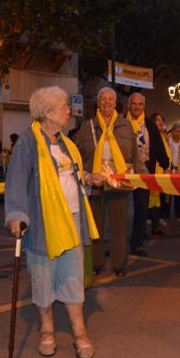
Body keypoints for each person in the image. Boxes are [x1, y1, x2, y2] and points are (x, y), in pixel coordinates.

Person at [5, 86, 102, 358]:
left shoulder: (67, 144)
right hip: (43, 223)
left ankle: (79, 332)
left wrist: (91, 180)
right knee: (44, 277)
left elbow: (74, 180)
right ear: (47, 113)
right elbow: (16, 181)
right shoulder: (27, 142)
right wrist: (16, 214)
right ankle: (46, 330)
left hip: (72, 220)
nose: (68, 110)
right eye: (63, 106)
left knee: (72, 276)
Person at [74, 87, 145, 277]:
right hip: (94, 183)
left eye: (110, 99)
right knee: (95, 226)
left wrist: (143, 177)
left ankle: (119, 263)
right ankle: (96, 262)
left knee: (119, 226)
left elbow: (135, 155)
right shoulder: (87, 126)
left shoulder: (125, 125)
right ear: (98, 103)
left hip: (118, 184)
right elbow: (76, 154)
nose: (106, 102)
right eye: (103, 99)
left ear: (115, 103)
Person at [125, 93, 169, 252]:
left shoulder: (150, 125)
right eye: (134, 104)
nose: (137, 107)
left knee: (142, 211)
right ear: (129, 105)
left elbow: (158, 145)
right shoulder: (122, 123)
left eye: (140, 104)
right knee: (122, 212)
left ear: (144, 106)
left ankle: (136, 244)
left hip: (144, 173)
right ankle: (118, 245)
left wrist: (165, 163)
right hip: (125, 173)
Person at [149, 112, 171, 229]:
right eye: (157, 120)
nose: (161, 122)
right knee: (154, 199)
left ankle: (156, 222)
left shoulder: (163, 135)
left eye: (162, 120)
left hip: (163, 172)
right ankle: (153, 222)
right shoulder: (153, 135)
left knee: (160, 199)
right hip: (156, 171)